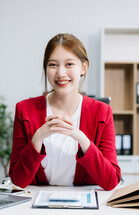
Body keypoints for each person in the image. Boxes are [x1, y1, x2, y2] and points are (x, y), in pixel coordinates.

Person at [9, 33, 121, 191]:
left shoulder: (102, 112)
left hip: (86, 206)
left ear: (83, 67)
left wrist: (81, 138)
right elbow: (18, 180)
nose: (61, 73)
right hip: (36, 206)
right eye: (53, 65)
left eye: (69, 64)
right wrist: (38, 137)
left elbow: (111, 182)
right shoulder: (24, 110)